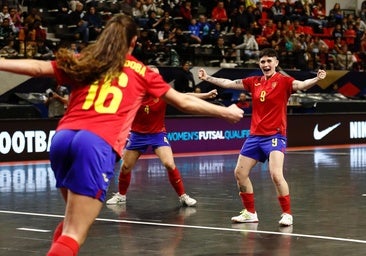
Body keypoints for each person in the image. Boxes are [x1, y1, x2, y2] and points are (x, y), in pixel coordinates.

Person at [0, 14, 243, 256]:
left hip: (62, 138)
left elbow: (38, 68)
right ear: (134, 41)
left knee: (71, 221)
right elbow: (184, 103)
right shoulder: (141, 71)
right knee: (75, 232)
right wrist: (226, 112)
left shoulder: (88, 59)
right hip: (94, 143)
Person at [198, 48, 326, 227]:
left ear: (276, 63)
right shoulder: (254, 82)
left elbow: (301, 85)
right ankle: (250, 213)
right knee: (240, 173)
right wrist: (207, 78)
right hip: (255, 136)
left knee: (275, 174)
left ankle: (287, 214)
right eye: (263, 62)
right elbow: (228, 83)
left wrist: (317, 79)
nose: (266, 65)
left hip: (275, 135)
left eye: (269, 61)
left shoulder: (283, 81)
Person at [106, 66, 218, 207]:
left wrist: (206, 96)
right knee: (126, 167)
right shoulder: (134, 93)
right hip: (137, 135)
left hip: (157, 134)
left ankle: (183, 196)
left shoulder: (163, 92)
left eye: (157, 76)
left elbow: (185, 96)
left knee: (169, 164)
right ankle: (121, 196)